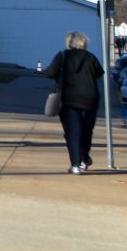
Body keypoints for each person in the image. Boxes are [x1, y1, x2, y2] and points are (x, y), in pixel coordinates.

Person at [45, 30, 105, 173]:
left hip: (69, 98)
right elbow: (99, 74)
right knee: (87, 131)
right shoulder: (91, 57)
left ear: (69, 43)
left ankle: (76, 165)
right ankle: (84, 159)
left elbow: (50, 73)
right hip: (90, 99)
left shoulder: (63, 56)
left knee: (72, 132)